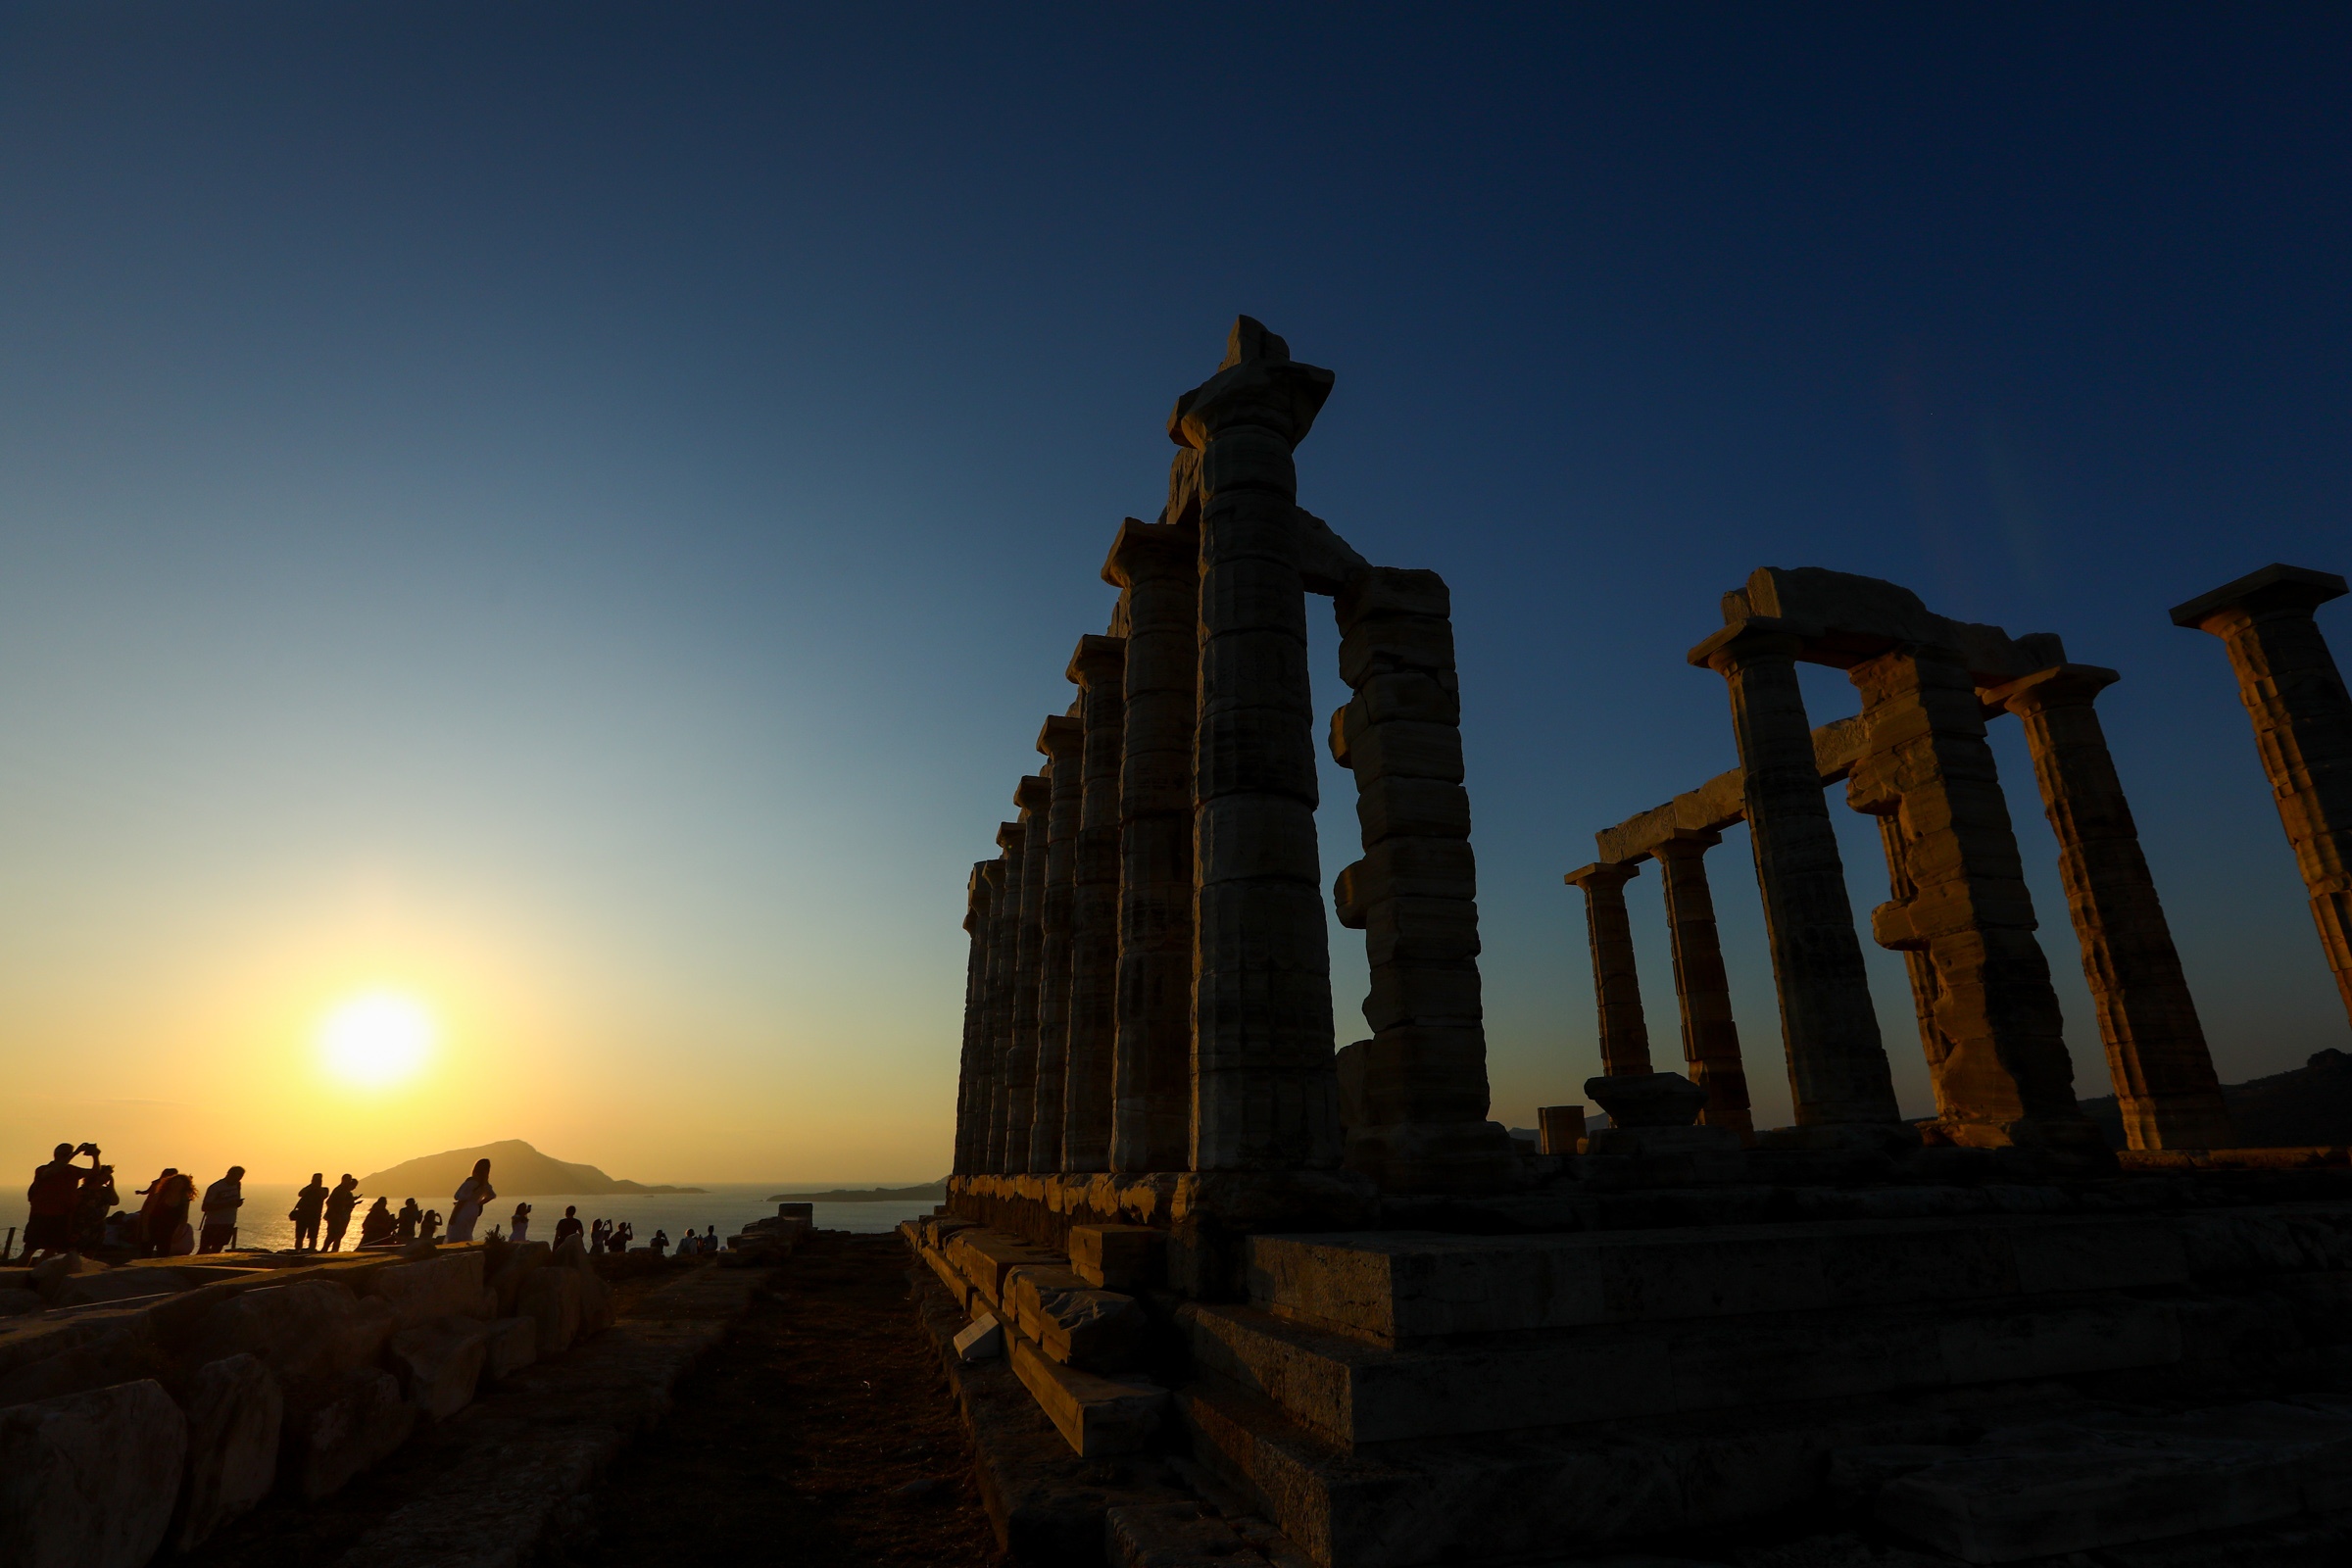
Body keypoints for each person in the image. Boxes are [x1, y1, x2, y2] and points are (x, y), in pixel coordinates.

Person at [198, 1166, 245, 1254]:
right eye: (235, 1176)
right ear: (228, 1174)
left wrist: (237, 1203)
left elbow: (235, 1200)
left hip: (229, 1222)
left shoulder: (237, 1185)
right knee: (204, 1248)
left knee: (218, 1247)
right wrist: (228, 1204)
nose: (237, 1179)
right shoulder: (216, 1187)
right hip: (213, 1223)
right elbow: (205, 1207)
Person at [447, 1158, 494, 1244]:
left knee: (455, 1230)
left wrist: (453, 1216)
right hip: (473, 1210)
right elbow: (491, 1195)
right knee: (467, 1230)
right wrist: (478, 1203)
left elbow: (461, 1200)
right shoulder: (484, 1184)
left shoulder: (471, 1182)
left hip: (464, 1209)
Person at [292, 1172, 329, 1251]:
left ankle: (311, 1250)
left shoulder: (324, 1189)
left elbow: (324, 1196)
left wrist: (317, 1187)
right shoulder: (308, 1189)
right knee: (299, 1237)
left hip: (314, 1217)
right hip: (302, 1216)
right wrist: (311, 1186)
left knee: (313, 1236)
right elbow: (300, 1193)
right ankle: (297, 1250)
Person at [324, 1175, 360, 1251]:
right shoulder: (339, 1190)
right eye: (348, 1180)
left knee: (338, 1235)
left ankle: (333, 1250)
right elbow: (330, 1202)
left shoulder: (344, 1191)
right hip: (336, 1216)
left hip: (340, 1215)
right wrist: (334, 1213)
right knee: (333, 1234)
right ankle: (326, 1250)